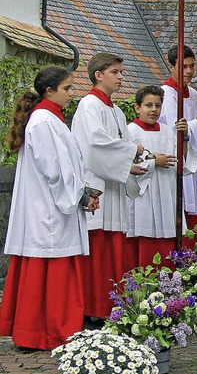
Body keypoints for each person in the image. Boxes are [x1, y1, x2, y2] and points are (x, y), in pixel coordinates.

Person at [0, 66, 99, 350]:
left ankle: (46, 331)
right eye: (67, 88)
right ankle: (46, 331)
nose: (71, 94)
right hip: (49, 210)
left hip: (53, 205)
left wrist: (82, 192)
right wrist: (79, 196)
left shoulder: (50, 119)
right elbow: (53, 170)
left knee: (49, 270)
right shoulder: (43, 121)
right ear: (49, 90)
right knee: (50, 270)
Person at [71, 53, 147, 320]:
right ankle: (93, 310)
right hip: (96, 186)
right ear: (98, 75)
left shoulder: (114, 110)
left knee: (114, 250)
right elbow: (94, 146)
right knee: (98, 252)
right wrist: (131, 150)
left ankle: (111, 309)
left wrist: (130, 164)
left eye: (120, 72)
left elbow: (117, 149)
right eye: (114, 72)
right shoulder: (89, 105)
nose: (120, 77)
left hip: (114, 185)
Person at [126, 85, 194, 268]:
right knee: (144, 250)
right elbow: (125, 166)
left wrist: (184, 138)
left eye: (158, 105)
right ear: (137, 107)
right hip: (144, 198)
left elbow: (182, 163)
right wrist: (154, 162)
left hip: (166, 193)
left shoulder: (167, 131)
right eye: (149, 105)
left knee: (167, 247)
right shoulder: (130, 132)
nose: (154, 110)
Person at [159, 45, 197, 248]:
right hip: (178, 160)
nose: (189, 71)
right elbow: (176, 131)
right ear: (171, 66)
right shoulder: (165, 94)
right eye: (184, 67)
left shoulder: (195, 95)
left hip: (195, 162)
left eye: (192, 66)